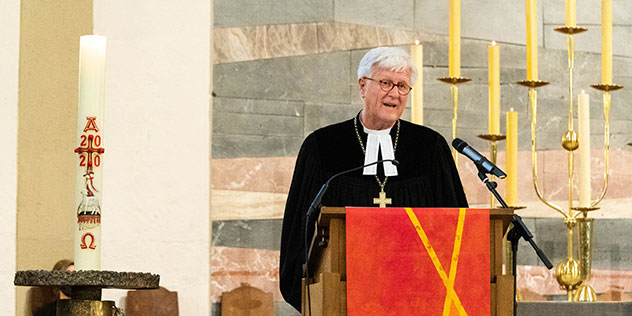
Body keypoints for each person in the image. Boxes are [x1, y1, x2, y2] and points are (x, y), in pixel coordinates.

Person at [279, 46, 469, 311]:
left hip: (419, 300)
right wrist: (309, 292)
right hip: (342, 301)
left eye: (403, 86)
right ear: (362, 86)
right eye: (385, 83)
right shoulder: (323, 146)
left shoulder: (429, 147)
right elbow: (299, 228)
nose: (394, 93)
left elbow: (456, 225)